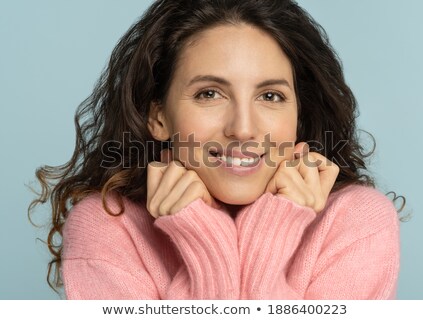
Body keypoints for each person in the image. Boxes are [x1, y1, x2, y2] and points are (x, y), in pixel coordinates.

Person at [29, 0, 402, 299]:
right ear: (158, 116)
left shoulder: (355, 221)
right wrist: (201, 238)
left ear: (298, 116)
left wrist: (277, 225)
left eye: (270, 96)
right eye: (209, 94)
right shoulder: (109, 226)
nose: (242, 129)